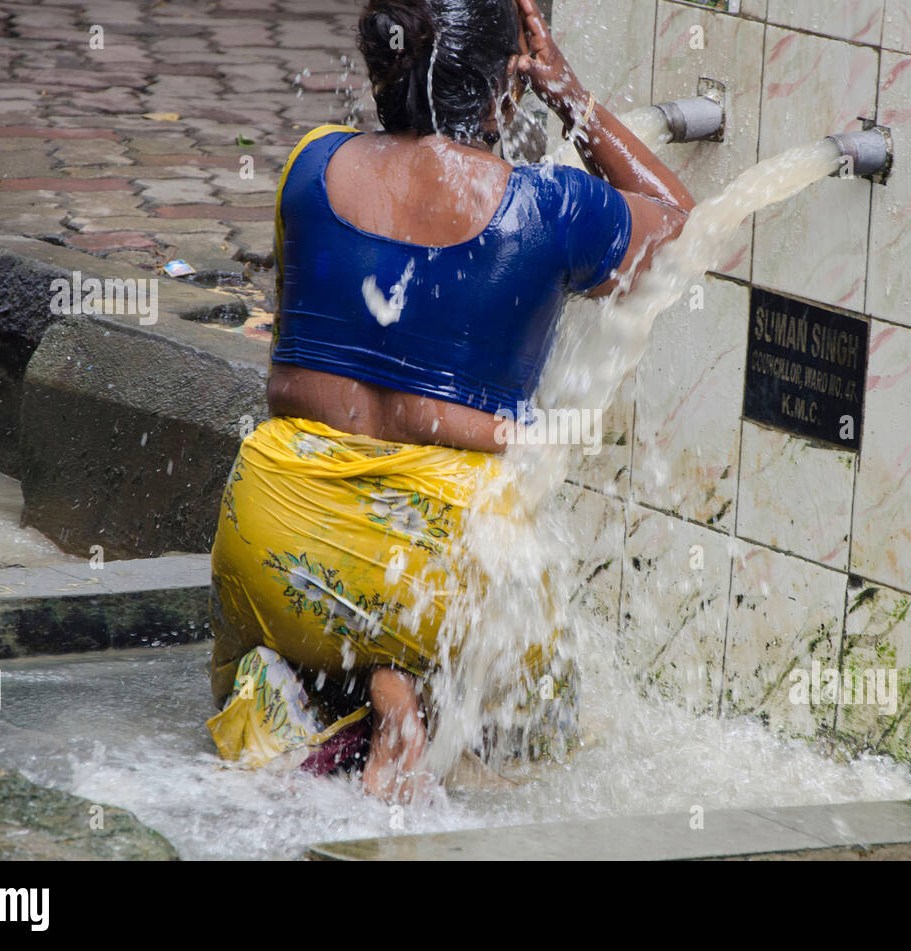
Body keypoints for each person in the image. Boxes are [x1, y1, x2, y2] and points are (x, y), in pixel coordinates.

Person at [207, 0, 695, 803]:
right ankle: (408, 694)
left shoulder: (309, 168)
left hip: (277, 524)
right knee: (534, 726)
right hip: (446, 561)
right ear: (510, 83)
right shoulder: (548, 208)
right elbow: (684, 230)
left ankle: (342, 695)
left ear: (380, 68)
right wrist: (570, 95)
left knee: (290, 633)